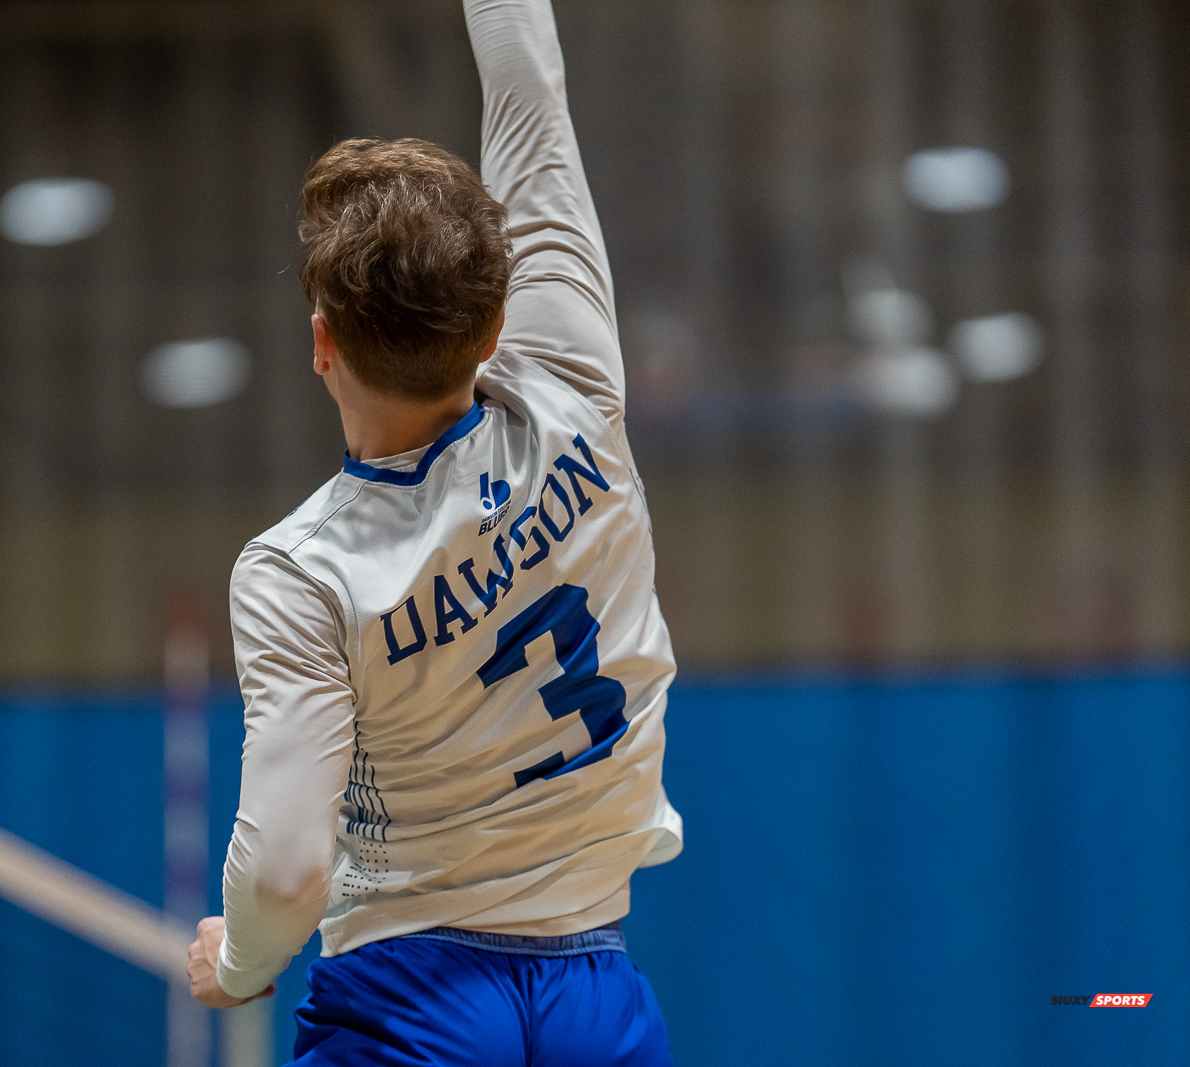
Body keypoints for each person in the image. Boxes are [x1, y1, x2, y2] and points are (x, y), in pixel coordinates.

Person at [186, 0, 682, 1061]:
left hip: (413, 992)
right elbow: (528, 93)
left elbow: (282, 872)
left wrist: (238, 962)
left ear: (320, 344)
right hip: (597, 985)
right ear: (498, 321)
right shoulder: (568, 374)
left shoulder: (299, 573)